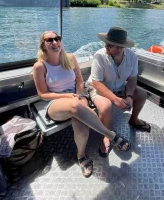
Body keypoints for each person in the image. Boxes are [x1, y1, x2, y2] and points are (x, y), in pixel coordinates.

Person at [33, 31, 131, 178]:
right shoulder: (40, 66)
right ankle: (111, 135)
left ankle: (81, 156)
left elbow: (80, 81)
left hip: (78, 96)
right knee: (74, 105)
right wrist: (67, 96)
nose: (55, 42)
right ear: (43, 45)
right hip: (56, 101)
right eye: (49, 40)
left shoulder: (70, 58)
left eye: (57, 38)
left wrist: (79, 94)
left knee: (83, 129)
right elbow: (43, 94)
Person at [86, 27, 150, 158]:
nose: (106, 46)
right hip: (98, 88)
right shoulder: (99, 56)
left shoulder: (132, 57)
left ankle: (133, 120)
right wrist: (115, 99)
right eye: (106, 43)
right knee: (106, 106)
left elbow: (132, 80)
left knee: (142, 94)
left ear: (120, 48)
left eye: (110, 44)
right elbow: (97, 83)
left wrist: (130, 96)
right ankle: (108, 136)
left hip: (120, 88)